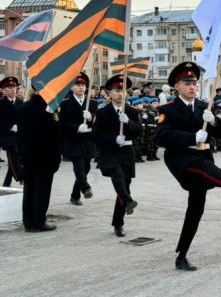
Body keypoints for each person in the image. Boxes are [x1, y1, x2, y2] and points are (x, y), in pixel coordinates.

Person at [156, 62, 221, 271]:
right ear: (177, 85)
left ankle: (182, 255)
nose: (192, 87)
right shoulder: (167, 109)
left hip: (201, 154)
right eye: (187, 83)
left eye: (194, 83)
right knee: (205, 170)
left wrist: (213, 122)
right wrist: (191, 137)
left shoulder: (205, 107)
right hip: (181, 158)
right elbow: (161, 137)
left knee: (196, 209)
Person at [93, 75, 143, 237]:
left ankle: (118, 222)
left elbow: (139, 132)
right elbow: (96, 136)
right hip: (110, 152)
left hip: (126, 153)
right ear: (109, 93)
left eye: (123, 90)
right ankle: (128, 201)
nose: (120, 94)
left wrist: (128, 121)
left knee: (124, 186)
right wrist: (113, 139)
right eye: (116, 90)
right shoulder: (102, 112)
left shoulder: (132, 111)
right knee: (118, 175)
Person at [18, 86, 61, 232]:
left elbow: (20, 134)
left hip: (27, 155)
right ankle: (38, 222)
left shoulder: (24, 107)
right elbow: (54, 135)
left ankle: (28, 222)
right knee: (42, 189)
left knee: (29, 189)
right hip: (45, 156)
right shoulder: (50, 108)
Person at [59, 73, 98, 205]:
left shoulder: (92, 103)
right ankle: (86, 188)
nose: (81, 87)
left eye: (83, 85)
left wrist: (91, 117)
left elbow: (98, 122)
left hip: (88, 140)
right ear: (72, 87)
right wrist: (76, 128)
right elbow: (62, 124)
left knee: (86, 167)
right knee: (79, 165)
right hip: (73, 140)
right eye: (78, 85)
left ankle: (75, 196)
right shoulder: (65, 104)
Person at [0, 77, 22, 187]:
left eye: (14, 87)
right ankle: (20, 176)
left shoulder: (21, 102)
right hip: (6, 135)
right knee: (13, 154)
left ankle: (6, 183)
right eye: (9, 87)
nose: (12, 89)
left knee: (15, 158)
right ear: (4, 90)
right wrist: (10, 127)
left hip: (19, 135)